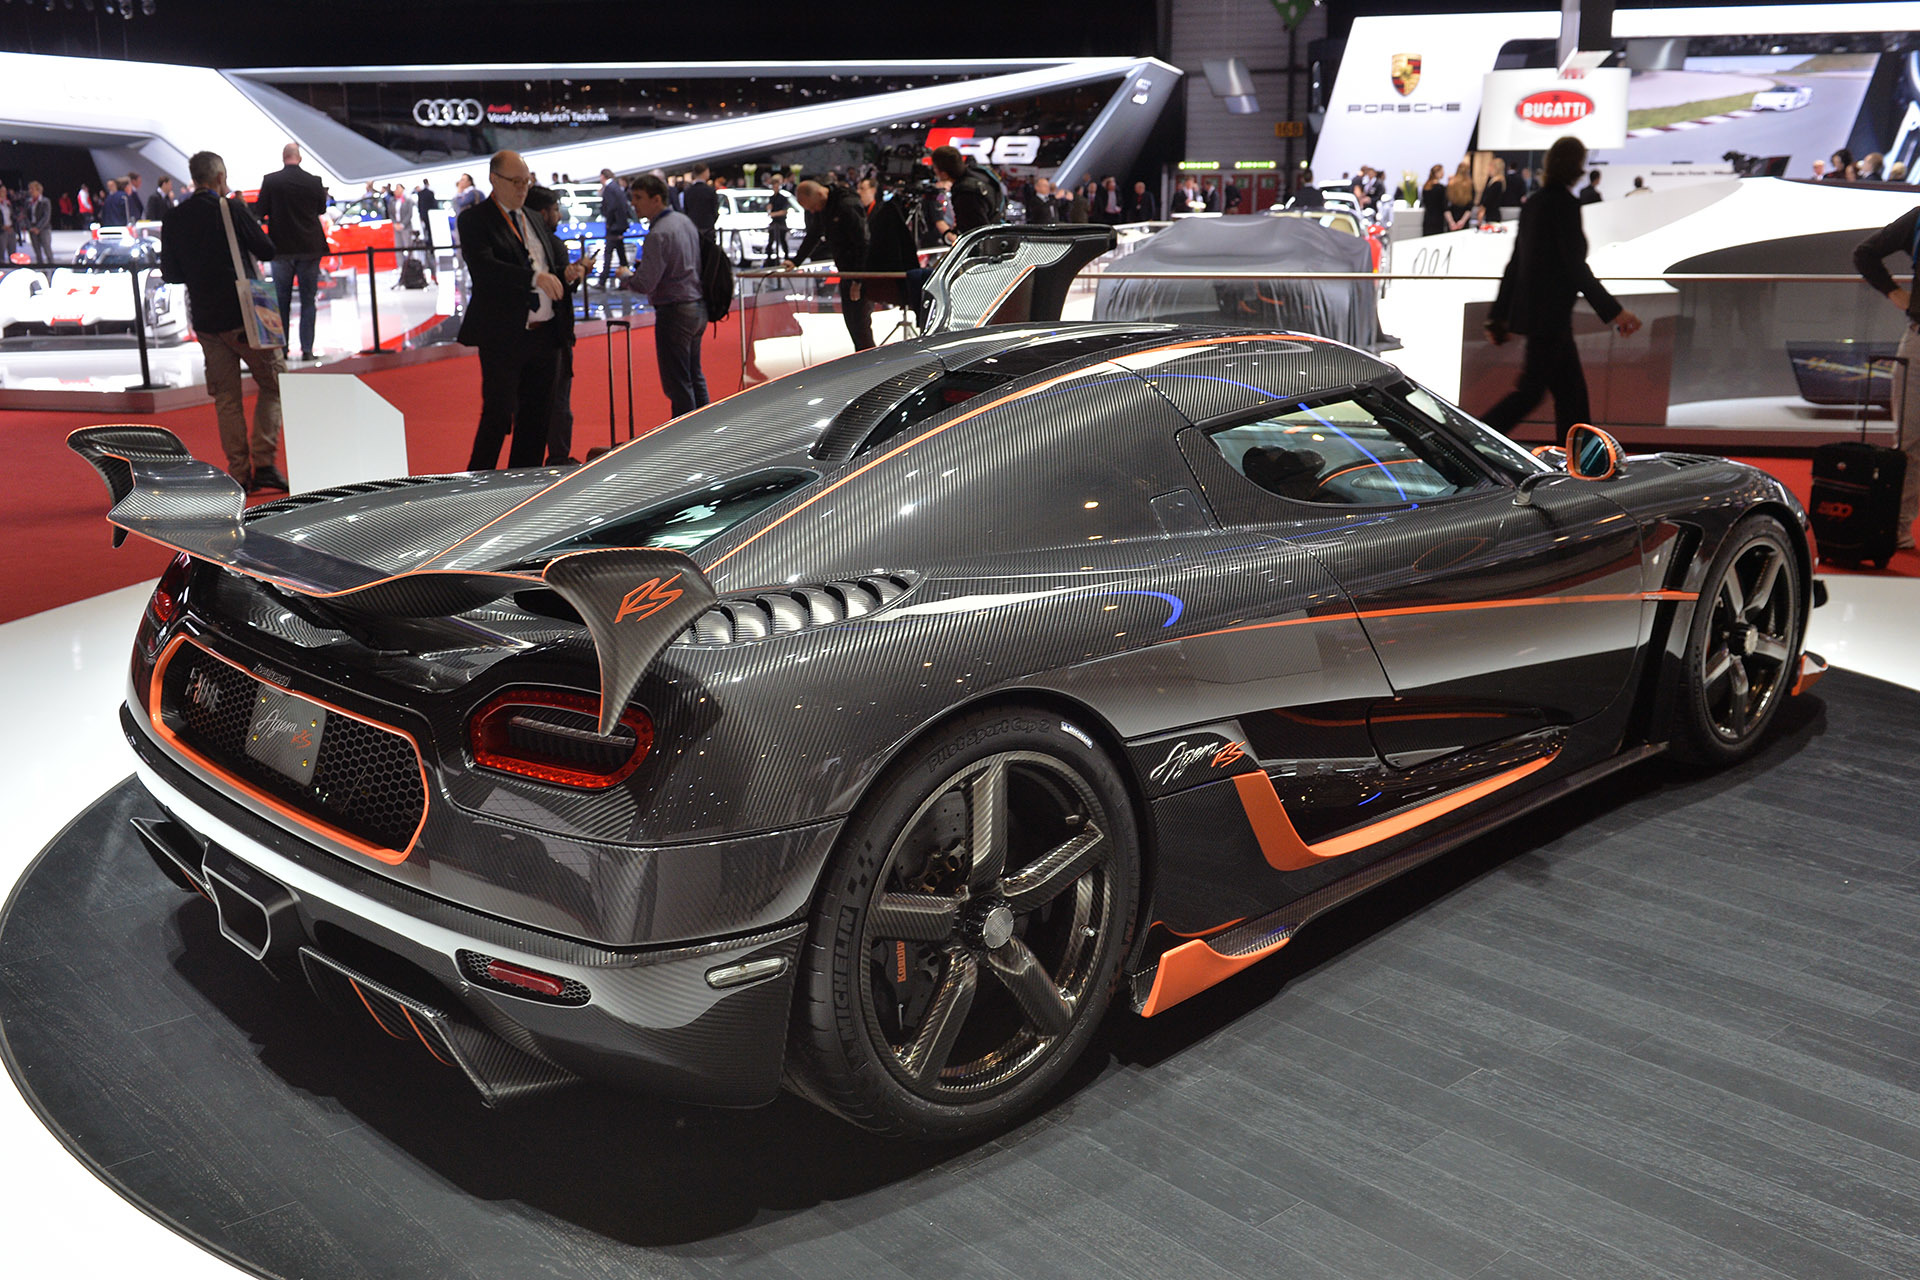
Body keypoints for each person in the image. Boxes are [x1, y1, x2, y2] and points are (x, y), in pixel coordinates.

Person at [1480, 136, 1641, 437]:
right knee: (1548, 397)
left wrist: (1498, 315)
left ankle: (1573, 460)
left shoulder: (1535, 203)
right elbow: (1576, 268)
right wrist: (1615, 312)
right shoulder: (1565, 205)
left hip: (1542, 319)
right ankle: (1473, 442)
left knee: (1567, 398)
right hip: (1552, 320)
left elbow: (1515, 264)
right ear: (1576, 167)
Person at [161, 151, 287, 492]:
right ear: (219, 177)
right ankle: (264, 462)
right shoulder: (230, 208)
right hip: (246, 314)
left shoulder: (174, 217)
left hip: (206, 319)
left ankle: (239, 472)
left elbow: (171, 273)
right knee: (275, 383)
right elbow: (266, 249)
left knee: (226, 398)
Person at [456, 149, 580, 470]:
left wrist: (565, 275)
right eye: (516, 182)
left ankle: (525, 483)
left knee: (537, 418)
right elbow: (485, 269)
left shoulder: (534, 218)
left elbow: (546, 269)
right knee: (498, 416)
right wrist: (535, 279)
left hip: (546, 335)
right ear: (494, 180)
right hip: (504, 335)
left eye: (527, 181)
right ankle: (478, 482)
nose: (523, 188)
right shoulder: (475, 219)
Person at [1852, 204, 1920, 549]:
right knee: (1910, 440)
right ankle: (1896, 527)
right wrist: (1895, 293)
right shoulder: (1919, 218)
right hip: (1918, 339)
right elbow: (1865, 254)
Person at [616, 172, 708, 418]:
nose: (633, 203)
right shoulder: (683, 221)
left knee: (678, 384)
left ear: (656, 199)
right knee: (694, 376)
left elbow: (645, 283)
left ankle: (686, 435)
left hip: (674, 310)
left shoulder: (658, 233)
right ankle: (705, 428)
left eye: (639, 197)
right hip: (696, 305)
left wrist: (625, 276)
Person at [524, 185, 591, 465]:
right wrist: (576, 272)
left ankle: (530, 461)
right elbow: (562, 288)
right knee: (558, 401)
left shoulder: (522, 242)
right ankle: (559, 459)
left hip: (524, 336)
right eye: (555, 210)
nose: (559, 216)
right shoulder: (552, 244)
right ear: (543, 213)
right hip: (553, 335)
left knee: (529, 403)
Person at [256, 142, 328, 363]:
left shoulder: (271, 181)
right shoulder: (314, 181)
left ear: (283, 157)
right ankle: (307, 349)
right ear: (300, 158)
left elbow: (260, 210)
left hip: (281, 249)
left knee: (282, 300)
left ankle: (283, 349)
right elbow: (321, 209)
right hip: (309, 248)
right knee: (308, 300)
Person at [788, 176, 873, 352]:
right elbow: (814, 234)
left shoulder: (847, 205)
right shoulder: (824, 206)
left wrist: (858, 280)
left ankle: (871, 361)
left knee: (860, 325)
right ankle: (863, 358)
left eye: (812, 207)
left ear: (820, 194)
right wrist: (795, 261)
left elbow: (863, 244)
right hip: (845, 272)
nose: (813, 211)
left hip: (859, 274)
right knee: (852, 324)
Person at [930, 145, 1001, 236]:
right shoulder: (979, 174)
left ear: (944, 173)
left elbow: (976, 233)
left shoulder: (965, 193)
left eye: (935, 168)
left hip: (988, 239)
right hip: (997, 233)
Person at [594, 167, 632, 280]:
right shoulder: (616, 187)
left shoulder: (609, 188)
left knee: (608, 252)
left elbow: (611, 207)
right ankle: (626, 277)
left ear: (602, 176)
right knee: (620, 252)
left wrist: (609, 223)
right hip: (619, 225)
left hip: (613, 226)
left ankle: (603, 279)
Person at [681, 163, 719, 242]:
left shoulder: (688, 191)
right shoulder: (710, 190)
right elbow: (714, 209)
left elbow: (686, 210)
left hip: (693, 227)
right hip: (708, 227)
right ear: (705, 173)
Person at [413, 178, 439, 280]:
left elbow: (421, 206)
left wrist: (421, 215)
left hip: (425, 217)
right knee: (428, 235)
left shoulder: (422, 194)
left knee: (427, 234)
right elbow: (434, 205)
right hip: (429, 218)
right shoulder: (429, 193)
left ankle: (429, 247)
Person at [765, 172, 792, 263]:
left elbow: (784, 211)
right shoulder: (771, 198)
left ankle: (786, 257)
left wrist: (774, 214)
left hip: (781, 222)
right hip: (774, 222)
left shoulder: (783, 198)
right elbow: (769, 208)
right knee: (770, 241)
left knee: (783, 241)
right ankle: (769, 259)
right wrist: (769, 210)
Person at [23, 181, 52, 264]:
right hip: (32, 229)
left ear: (38, 190)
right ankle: (41, 268)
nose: (30, 191)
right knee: (37, 252)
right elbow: (25, 216)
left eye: (32, 189)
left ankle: (51, 267)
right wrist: (30, 227)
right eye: (29, 189)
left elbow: (46, 217)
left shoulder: (45, 201)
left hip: (43, 229)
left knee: (47, 250)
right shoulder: (28, 202)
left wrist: (38, 228)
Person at [1420, 164, 1448, 236]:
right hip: (1438, 218)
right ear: (1436, 173)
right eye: (1442, 172)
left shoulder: (1426, 186)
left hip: (1428, 217)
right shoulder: (1440, 188)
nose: (1443, 174)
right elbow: (1444, 205)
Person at [1445, 163, 1474, 230]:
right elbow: (1469, 207)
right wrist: (1462, 221)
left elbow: (1446, 207)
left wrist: (1451, 222)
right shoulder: (1470, 185)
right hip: (1464, 221)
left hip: (1452, 220)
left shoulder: (1450, 184)